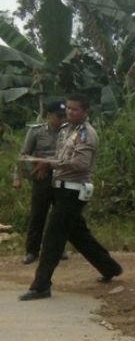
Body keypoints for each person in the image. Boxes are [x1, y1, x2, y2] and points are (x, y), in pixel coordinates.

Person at [19, 94, 123, 301]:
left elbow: (81, 164)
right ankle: (110, 267)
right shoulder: (66, 130)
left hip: (74, 190)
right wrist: (44, 161)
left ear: (85, 112)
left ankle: (41, 285)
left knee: (52, 237)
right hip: (61, 188)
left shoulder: (87, 134)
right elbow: (60, 156)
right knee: (77, 234)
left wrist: (49, 163)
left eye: (75, 109)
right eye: (68, 109)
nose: (69, 112)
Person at [13, 101, 69, 264]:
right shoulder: (36, 132)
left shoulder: (67, 132)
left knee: (59, 215)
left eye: (64, 116)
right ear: (49, 116)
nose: (62, 119)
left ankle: (57, 249)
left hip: (61, 175)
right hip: (41, 177)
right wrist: (17, 176)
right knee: (38, 214)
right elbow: (23, 155)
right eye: (59, 116)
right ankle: (32, 251)